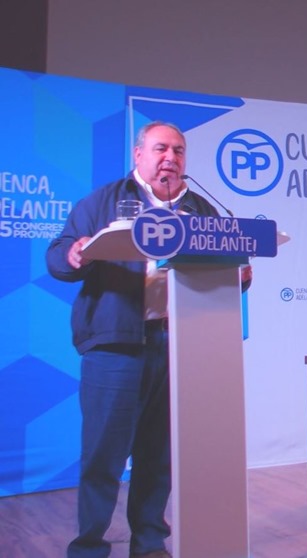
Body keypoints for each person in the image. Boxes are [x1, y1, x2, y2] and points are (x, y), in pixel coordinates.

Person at [46, 121, 251, 558]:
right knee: (104, 454)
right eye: (161, 149)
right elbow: (57, 258)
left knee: (159, 456)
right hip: (115, 346)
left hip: (178, 346)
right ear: (138, 155)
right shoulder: (104, 201)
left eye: (178, 151)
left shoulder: (200, 208)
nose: (170, 159)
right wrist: (74, 251)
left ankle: (150, 542)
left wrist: (239, 274)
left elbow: (221, 269)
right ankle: (88, 547)